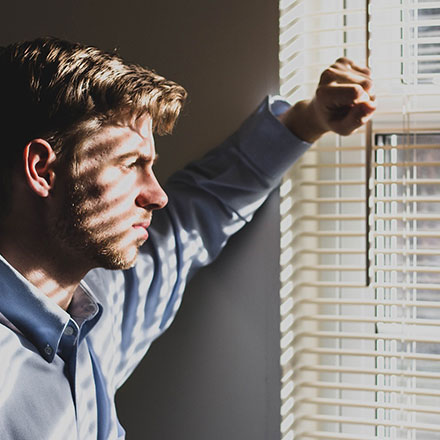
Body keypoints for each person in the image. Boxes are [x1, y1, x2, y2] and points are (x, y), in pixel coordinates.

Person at [0, 37, 376, 439]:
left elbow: (194, 217)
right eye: (130, 164)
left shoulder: (95, 307)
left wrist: (307, 121)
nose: (158, 196)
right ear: (42, 170)